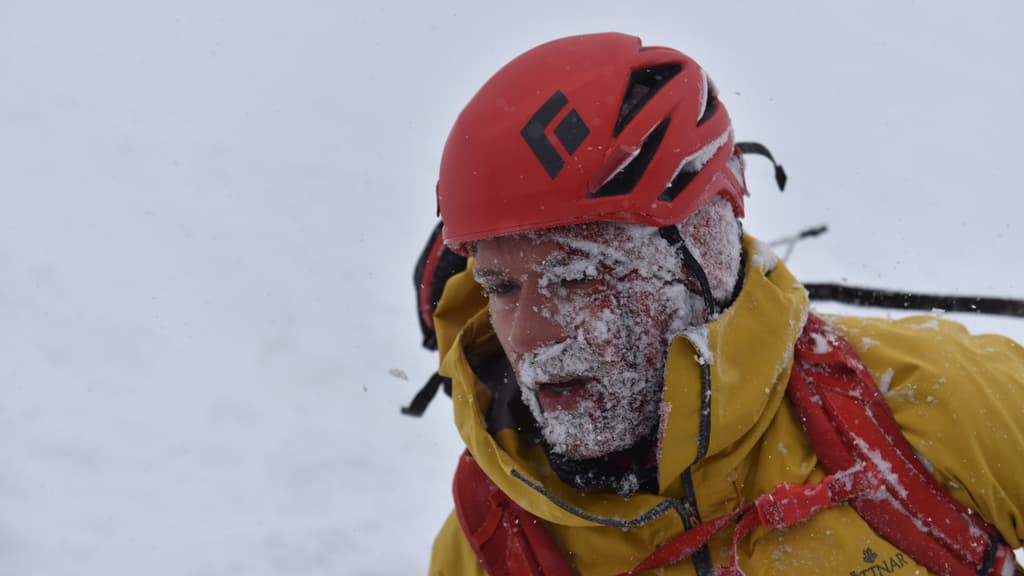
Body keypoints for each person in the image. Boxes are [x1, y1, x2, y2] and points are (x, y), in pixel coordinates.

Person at [423, 32, 1024, 575]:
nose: (529, 337)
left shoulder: (920, 405)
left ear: (702, 258)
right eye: (501, 288)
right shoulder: (491, 542)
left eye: (578, 280)